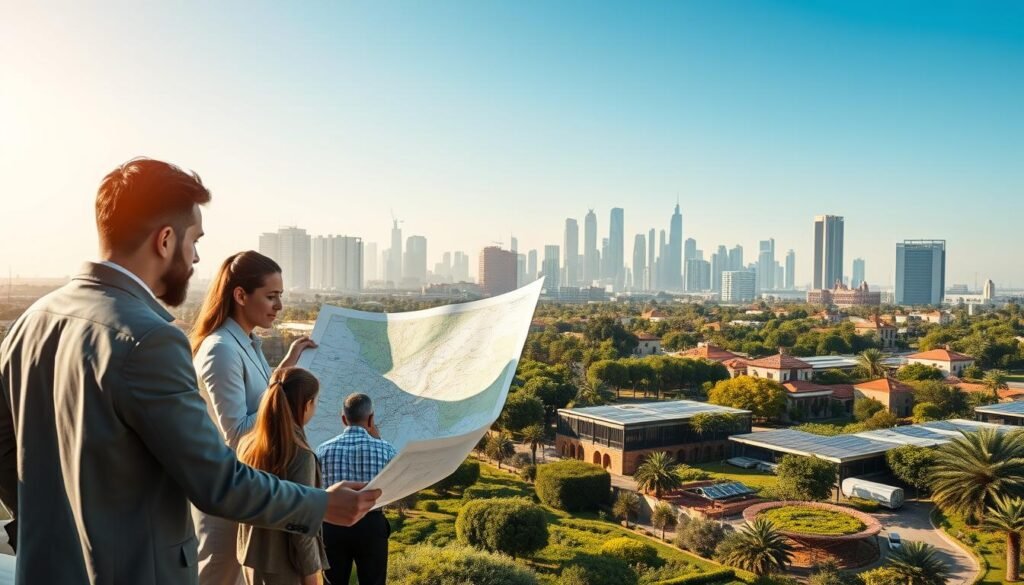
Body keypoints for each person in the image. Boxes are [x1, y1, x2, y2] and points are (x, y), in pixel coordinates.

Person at [0, 158, 380, 585]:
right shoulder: (150, 339)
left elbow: (3, 448)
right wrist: (319, 505)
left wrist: (45, 522)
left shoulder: (31, 321)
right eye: (194, 241)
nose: (197, 257)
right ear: (165, 240)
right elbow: (215, 480)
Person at [189, 251, 317, 585]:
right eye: (271, 297)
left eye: (281, 297)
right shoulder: (220, 349)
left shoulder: (248, 342)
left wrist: (285, 369)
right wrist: (288, 408)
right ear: (241, 295)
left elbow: (255, 402)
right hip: (225, 495)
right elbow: (237, 432)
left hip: (248, 489)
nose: (279, 306)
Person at [237, 367, 328, 585]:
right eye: (315, 402)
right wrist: (312, 574)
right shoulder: (300, 455)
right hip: (287, 567)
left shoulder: (247, 445)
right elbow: (302, 523)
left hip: (251, 558)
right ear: (306, 405)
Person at [315, 394, 397, 585]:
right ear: (371, 419)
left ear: (344, 419)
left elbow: (316, 489)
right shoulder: (386, 449)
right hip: (372, 525)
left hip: (332, 525)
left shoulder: (322, 450)